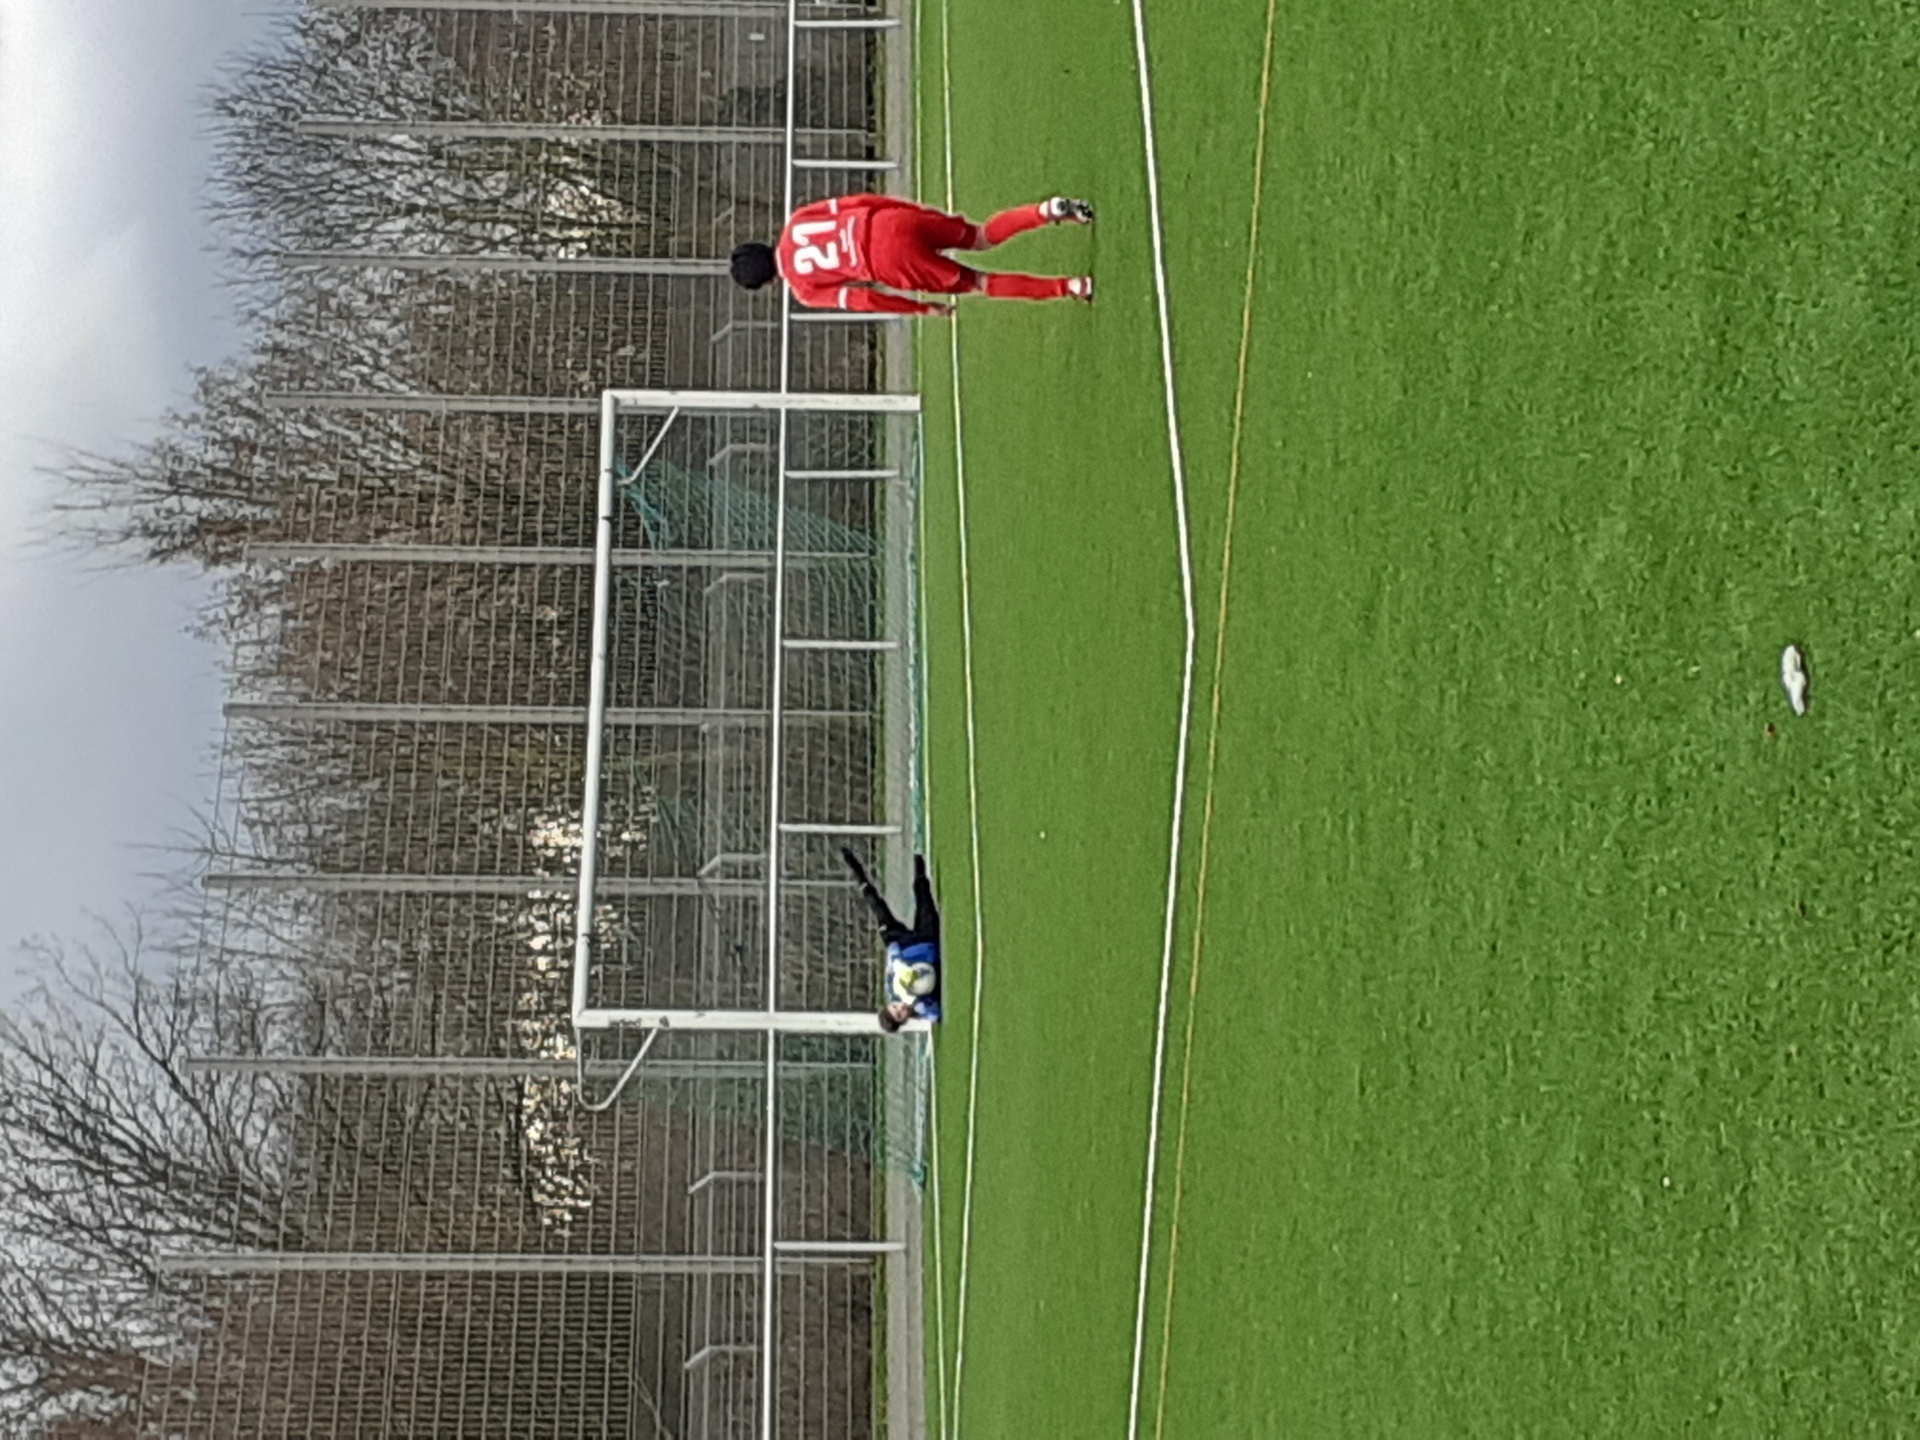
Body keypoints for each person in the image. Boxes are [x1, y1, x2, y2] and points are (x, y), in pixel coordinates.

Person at [730, 194, 1096, 316]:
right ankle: (1045, 210)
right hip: (886, 221)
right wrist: (909, 211)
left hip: (885, 261)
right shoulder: (797, 220)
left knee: (979, 283)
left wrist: (921, 308)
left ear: (765, 283)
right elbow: (861, 200)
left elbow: (865, 299)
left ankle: (1072, 286)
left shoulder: (805, 290)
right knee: (981, 236)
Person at [840, 847, 941, 1030]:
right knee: (925, 901)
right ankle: (919, 875)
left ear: (890, 1003)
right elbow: (935, 1014)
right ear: (904, 1021)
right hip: (926, 943)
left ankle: (857, 871)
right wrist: (916, 1002)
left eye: (894, 1007)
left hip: (901, 943)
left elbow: (893, 962)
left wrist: (896, 958)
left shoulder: (893, 988)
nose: (900, 1008)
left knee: (876, 906)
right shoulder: (920, 1008)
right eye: (900, 1014)